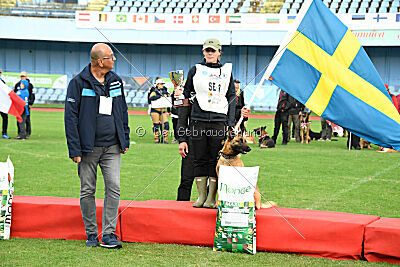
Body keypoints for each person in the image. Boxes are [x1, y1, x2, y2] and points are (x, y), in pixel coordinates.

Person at [64, 43, 130, 249]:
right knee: (87, 190)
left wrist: (124, 138)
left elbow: (122, 110)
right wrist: (75, 149)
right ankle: (91, 233)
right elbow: (70, 117)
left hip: (112, 146)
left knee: (114, 188)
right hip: (87, 148)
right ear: (100, 61)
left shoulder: (116, 80)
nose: (114, 60)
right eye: (111, 56)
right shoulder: (77, 83)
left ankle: (109, 233)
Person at [178, 38, 237, 208]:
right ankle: (201, 196)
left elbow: (231, 96)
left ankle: (211, 197)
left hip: (219, 122)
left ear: (219, 52)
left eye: (213, 50)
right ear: (203, 52)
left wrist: (230, 122)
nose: (210, 53)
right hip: (198, 121)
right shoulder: (195, 69)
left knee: (214, 160)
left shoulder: (227, 71)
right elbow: (186, 95)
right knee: (199, 159)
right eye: (207, 50)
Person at [148, 78, 170, 144]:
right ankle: (156, 139)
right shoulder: (154, 91)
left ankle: (164, 139)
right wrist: (160, 96)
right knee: (156, 125)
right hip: (155, 110)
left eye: (162, 84)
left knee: (166, 124)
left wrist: (167, 95)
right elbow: (151, 98)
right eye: (161, 84)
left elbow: (169, 98)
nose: (162, 85)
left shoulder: (165, 91)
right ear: (157, 85)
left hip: (162, 110)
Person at [14, 72, 35, 139]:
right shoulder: (17, 84)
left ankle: (27, 133)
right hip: (19, 106)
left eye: (23, 76)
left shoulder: (30, 85)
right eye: (21, 76)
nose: (22, 77)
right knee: (19, 119)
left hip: (25, 105)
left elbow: (32, 95)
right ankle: (20, 133)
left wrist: (30, 103)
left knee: (27, 120)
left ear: (26, 76)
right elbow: (14, 94)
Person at [0, 69, 10, 139]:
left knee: (5, 118)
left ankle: (4, 133)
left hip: (2, 103)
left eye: (0, 72)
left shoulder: (2, 82)